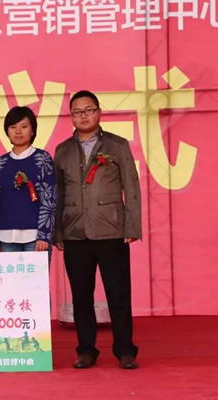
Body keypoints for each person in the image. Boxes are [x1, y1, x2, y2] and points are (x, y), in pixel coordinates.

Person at [54, 90, 142, 370]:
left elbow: (132, 187)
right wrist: (58, 232)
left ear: (99, 112)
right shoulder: (62, 150)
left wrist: (132, 226)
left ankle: (125, 350)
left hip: (111, 230)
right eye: (77, 112)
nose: (83, 116)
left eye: (89, 110)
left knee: (118, 294)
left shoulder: (117, 145)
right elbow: (57, 194)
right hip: (74, 231)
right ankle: (86, 350)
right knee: (81, 296)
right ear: (71, 117)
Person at [0, 106, 56, 257]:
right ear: (7, 131)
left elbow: (49, 198)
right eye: (13, 127)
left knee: (36, 275)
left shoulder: (43, 159)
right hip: (6, 237)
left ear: (32, 130)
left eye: (24, 126)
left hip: (36, 237)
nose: (18, 131)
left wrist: (44, 235)